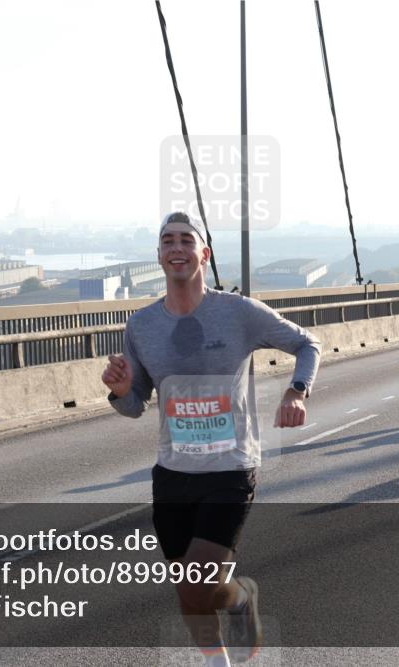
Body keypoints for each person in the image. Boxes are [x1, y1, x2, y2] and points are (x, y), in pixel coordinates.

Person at [102, 212, 321, 666]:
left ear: (204, 254)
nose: (176, 247)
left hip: (230, 468)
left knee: (200, 579)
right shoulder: (141, 325)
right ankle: (229, 626)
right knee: (189, 589)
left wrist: (297, 391)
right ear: (159, 256)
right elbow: (135, 403)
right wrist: (120, 391)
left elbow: (307, 344)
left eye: (186, 240)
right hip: (172, 472)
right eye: (167, 241)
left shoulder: (237, 312)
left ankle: (237, 598)